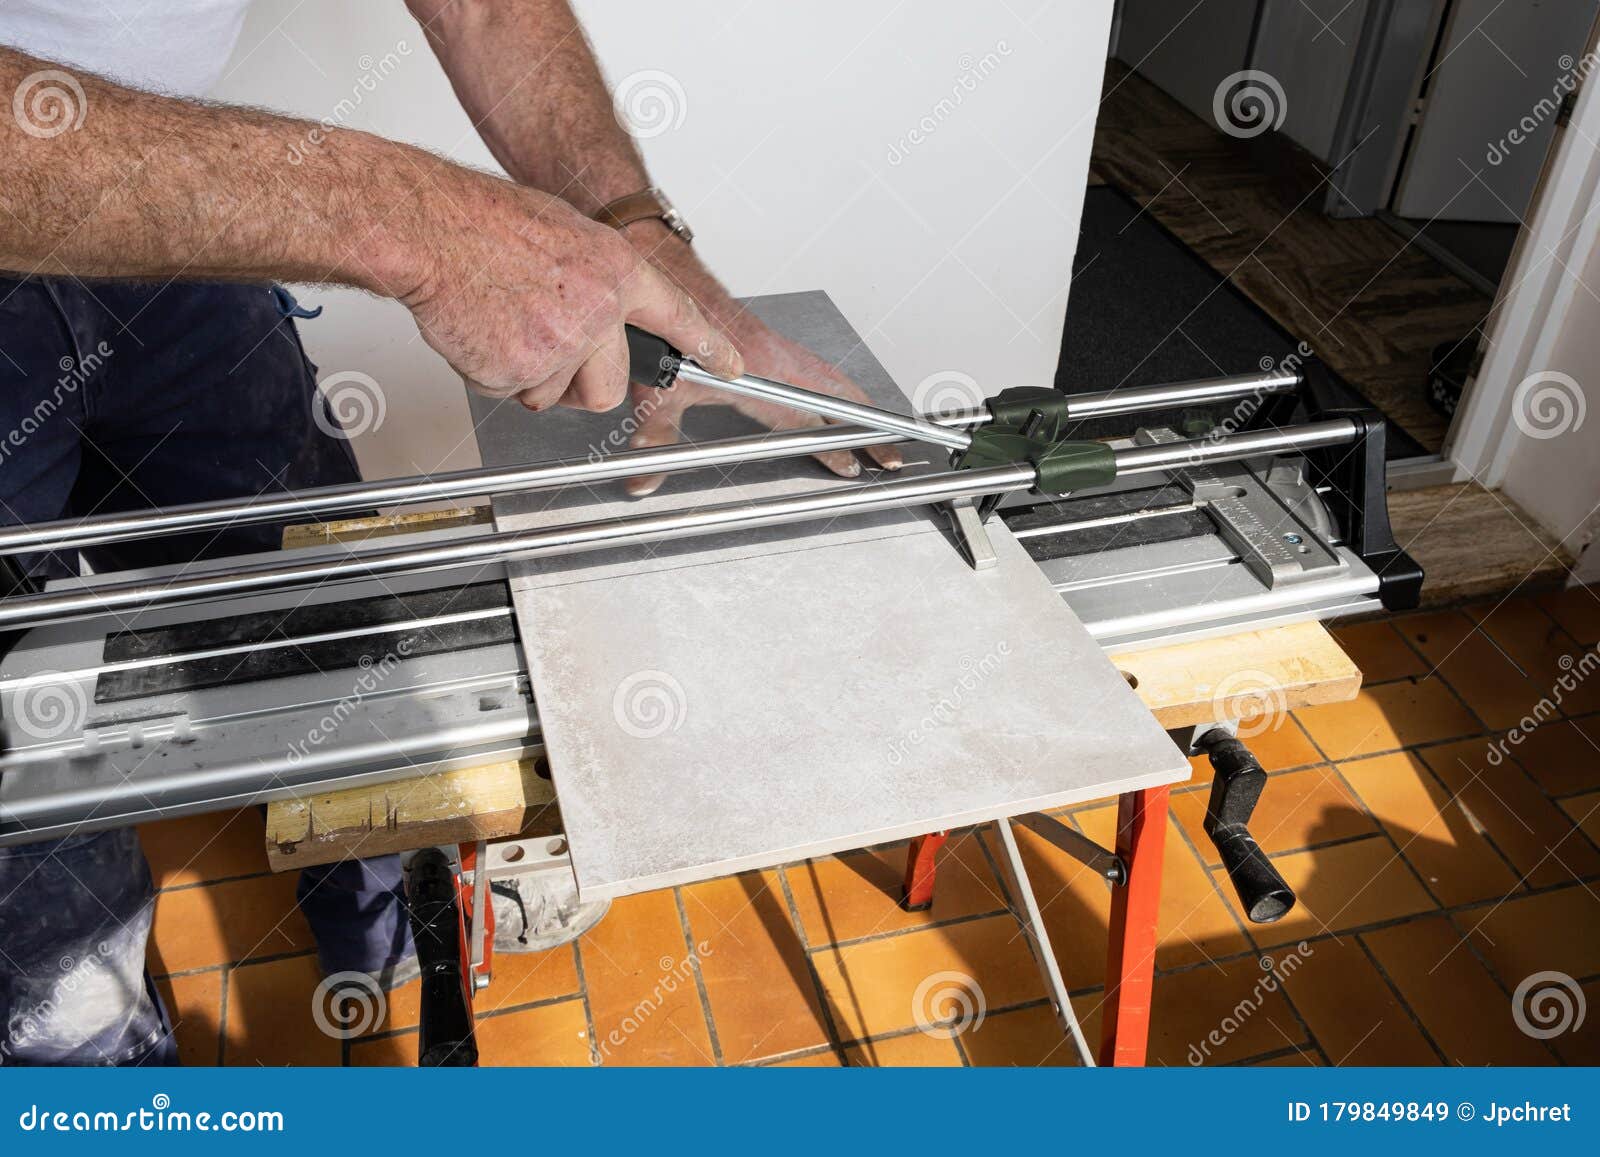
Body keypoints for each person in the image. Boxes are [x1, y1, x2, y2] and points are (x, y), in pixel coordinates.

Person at [0, 0, 901, 1066]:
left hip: (162, 203)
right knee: (34, 861)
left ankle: (380, 933)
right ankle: (100, 1076)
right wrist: (420, 226)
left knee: (326, 617)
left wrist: (645, 251)